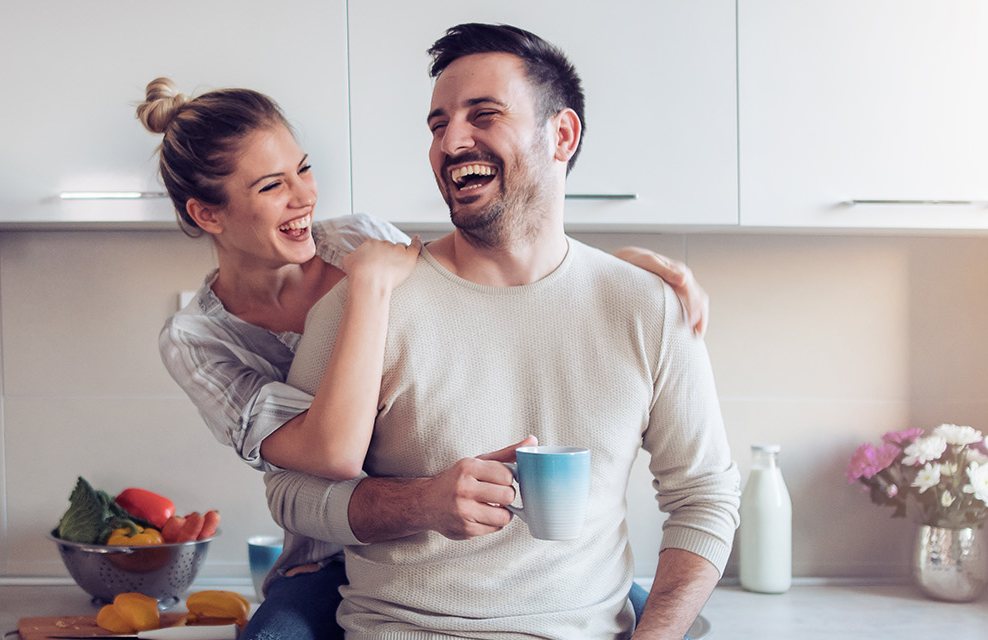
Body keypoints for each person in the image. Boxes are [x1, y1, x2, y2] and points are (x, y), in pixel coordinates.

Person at [144, 79, 709, 639]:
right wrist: (367, 289)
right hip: (326, 552)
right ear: (208, 214)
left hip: (455, 556)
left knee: (659, 619)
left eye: (304, 169)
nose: (304, 197)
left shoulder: (357, 239)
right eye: (272, 185)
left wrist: (611, 277)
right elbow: (332, 454)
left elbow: (483, 271)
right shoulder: (198, 339)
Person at [263, 23, 740, 640]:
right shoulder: (366, 304)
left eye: (483, 115)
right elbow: (291, 495)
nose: (451, 141)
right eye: (438, 125)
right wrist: (420, 503)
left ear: (562, 135)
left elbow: (705, 497)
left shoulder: (648, 306)